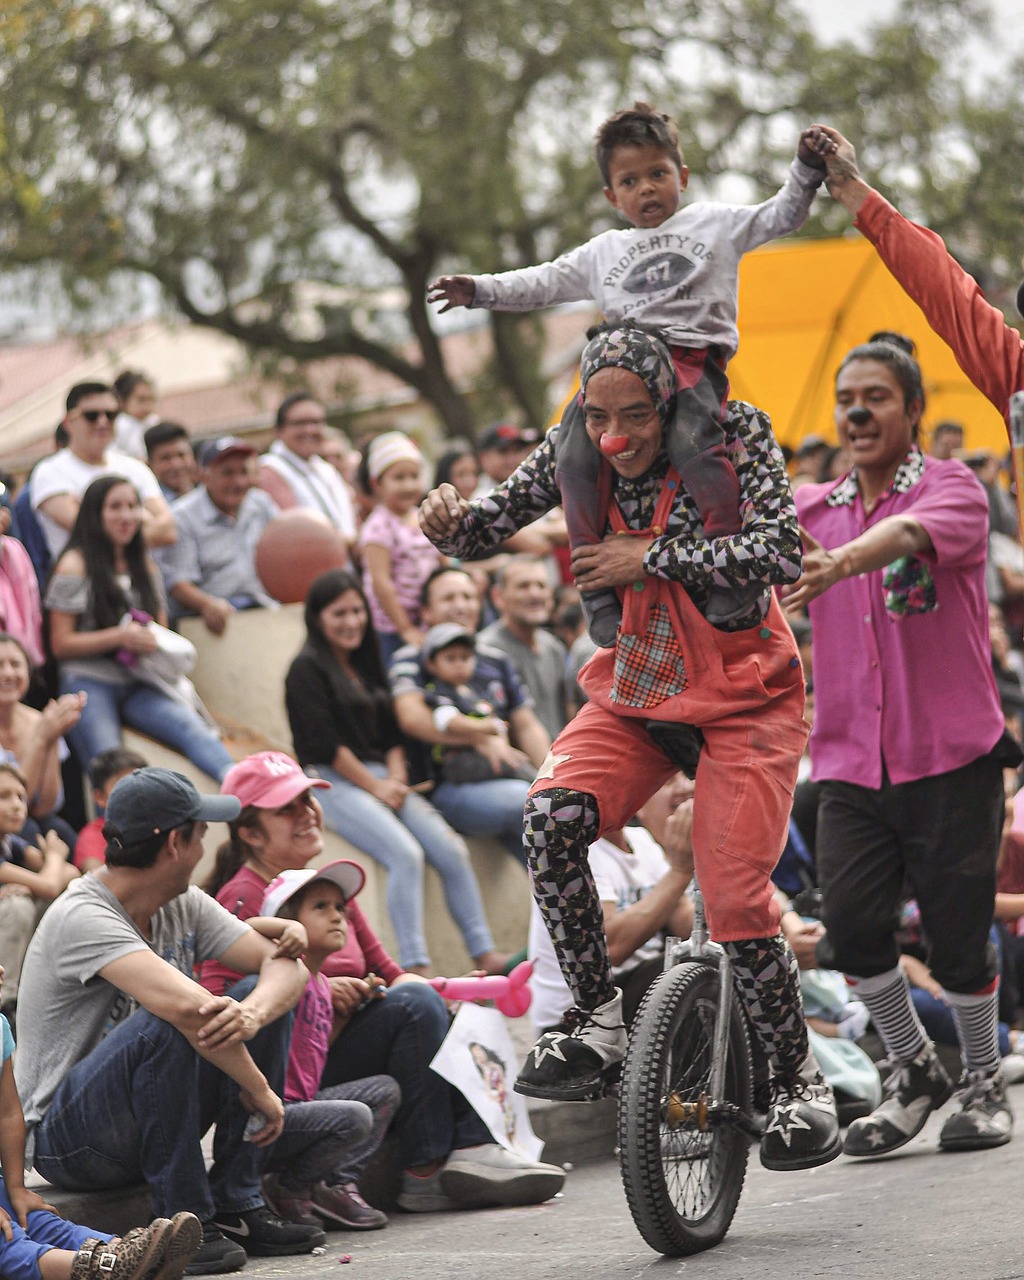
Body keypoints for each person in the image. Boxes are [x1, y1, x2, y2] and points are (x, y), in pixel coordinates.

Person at [419, 321, 841, 1172]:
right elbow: (480, 533)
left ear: (670, 401)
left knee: (732, 897)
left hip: (747, 695)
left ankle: (802, 1085)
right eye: (599, 414)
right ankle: (595, 1018)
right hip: (638, 687)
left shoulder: (735, 431)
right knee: (549, 818)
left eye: (637, 415)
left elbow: (778, 549)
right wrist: (445, 521)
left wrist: (650, 556)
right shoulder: (574, 441)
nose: (617, 437)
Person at [429, 106, 831, 645]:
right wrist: (479, 290)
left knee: (694, 445)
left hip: (692, 370)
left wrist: (807, 167)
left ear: (682, 177)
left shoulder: (714, 226)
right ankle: (594, 590)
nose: (646, 189)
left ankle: (726, 576)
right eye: (630, 181)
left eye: (658, 174)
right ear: (610, 196)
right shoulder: (606, 252)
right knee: (572, 455)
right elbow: (542, 283)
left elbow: (781, 215)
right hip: (617, 365)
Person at [784, 333, 1019, 1154]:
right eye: (847, 398)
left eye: (876, 396)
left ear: (914, 411)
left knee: (957, 939)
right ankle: (916, 1069)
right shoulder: (808, 509)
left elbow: (913, 535)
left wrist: (843, 560)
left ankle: (985, 1081)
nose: (856, 410)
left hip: (952, 755)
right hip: (849, 757)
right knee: (849, 927)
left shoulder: (955, 488)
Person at [200, 751, 565, 1215]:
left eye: (308, 801)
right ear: (249, 832)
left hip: (340, 1046)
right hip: (288, 1073)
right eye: (285, 808)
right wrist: (309, 988)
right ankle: (430, 1165)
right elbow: (222, 999)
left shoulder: (325, 892)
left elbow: (393, 974)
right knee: (414, 1003)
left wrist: (453, 990)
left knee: (428, 999)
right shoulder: (241, 897)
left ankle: (474, 1147)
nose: (307, 814)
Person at [15, 768, 327, 1275]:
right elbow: (188, 1011)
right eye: (202, 833)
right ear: (176, 843)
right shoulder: (83, 914)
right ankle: (186, 1217)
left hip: (144, 1119)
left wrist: (252, 1015)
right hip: (69, 1141)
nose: (207, 845)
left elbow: (284, 965)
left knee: (247, 997)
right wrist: (259, 1088)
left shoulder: (180, 901)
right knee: (168, 1019)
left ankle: (238, 1202)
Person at [282, 575, 507, 974]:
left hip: (386, 778)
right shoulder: (306, 669)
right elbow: (324, 744)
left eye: (357, 611)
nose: (351, 621)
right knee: (405, 854)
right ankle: (414, 967)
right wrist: (376, 786)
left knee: (450, 849)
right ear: (317, 619)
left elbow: (392, 734)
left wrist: (396, 778)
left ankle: (483, 953)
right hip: (331, 780)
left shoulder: (368, 666)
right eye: (339, 613)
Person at [45, 476, 235, 783]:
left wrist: (151, 639)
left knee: (191, 728)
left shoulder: (145, 565)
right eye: (115, 507)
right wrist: (119, 637)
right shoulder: (75, 564)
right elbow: (61, 643)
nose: (126, 516)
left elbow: (158, 625)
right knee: (112, 762)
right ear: (95, 514)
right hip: (88, 680)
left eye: (133, 506)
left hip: (140, 679)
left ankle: (245, 789)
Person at [254, 862, 399, 1231]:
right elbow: (239, 929)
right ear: (287, 920)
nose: (337, 917)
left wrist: (353, 1009)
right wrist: (283, 932)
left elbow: (312, 1051)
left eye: (340, 908)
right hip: (268, 1120)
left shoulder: (320, 984)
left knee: (384, 1091)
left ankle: (330, 1183)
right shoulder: (279, 973)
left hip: (302, 1110)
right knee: (354, 1116)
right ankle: (289, 1187)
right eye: (321, 907)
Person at [389, 567, 550, 860]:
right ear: (426, 612)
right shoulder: (412, 658)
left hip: (502, 776)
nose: (461, 605)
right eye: (449, 598)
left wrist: (553, 778)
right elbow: (411, 717)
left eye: (467, 596)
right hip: (447, 787)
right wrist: (478, 736)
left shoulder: (495, 660)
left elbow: (526, 724)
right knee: (526, 802)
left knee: (553, 820)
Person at [528, 773, 695, 1033]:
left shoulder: (641, 841)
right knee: (685, 970)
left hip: (634, 986)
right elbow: (612, 948)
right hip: (578, 1016)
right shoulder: (575, 852)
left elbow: (685, 920)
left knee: (719, 957)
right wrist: (680, 872)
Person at [30, 382, 175, 563]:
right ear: (68, 422)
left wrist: (103, 520)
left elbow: (169, 532)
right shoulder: (50, 472)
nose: (102, 422)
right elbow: (89, 533)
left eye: (111, 415)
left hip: (139, 583)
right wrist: (144, 517)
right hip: (84, 583)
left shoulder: (135, 468)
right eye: (91, 416)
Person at [154, 437, 279, 635]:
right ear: (204, 476)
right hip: (210, 622)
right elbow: (177, 582)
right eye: (228, 473)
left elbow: (286, 552)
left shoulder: (260, 504)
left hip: (267, 609)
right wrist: (207, 604)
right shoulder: (182, 517)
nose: (238, 482)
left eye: (244, 472)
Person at [0, 763, 78, 1016]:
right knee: (17, 906)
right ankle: (6, 1001)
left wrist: (32, 886)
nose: (16, 805)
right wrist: (54, 856)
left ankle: (43, 985)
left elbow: (70, 875)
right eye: (4, 796)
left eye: (21, 797)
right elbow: (49, 882)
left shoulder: (10, 842)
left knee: (63, 897)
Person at [358, 431, 443, 665]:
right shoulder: (378, 527)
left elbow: (442, 559)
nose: (408, 485)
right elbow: (380, 582)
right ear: (377, 483)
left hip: (428, 619)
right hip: (394, 627)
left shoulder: (423, 516)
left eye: (414, 476)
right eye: (399, 478)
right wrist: (404, 628)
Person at [420, 622, 536, 785]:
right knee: (517, 768)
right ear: (431, 664)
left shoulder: (474, 692)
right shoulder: (439, 690)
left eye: (465, 658)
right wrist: (488, 727)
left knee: (518, 763)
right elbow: (447, 720)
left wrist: (501, 742)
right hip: (456, 761)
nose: (459, 664)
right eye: (450, 658)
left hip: (483, 755)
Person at [0, 632, 83, 840]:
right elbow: (14, 804)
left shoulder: (40, 720)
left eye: (15, 664)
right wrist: (41, 739)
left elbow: (47, 806)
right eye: (0, 665)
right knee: (27, 831)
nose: (8, 673)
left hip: (31, 819)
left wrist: (52, 737)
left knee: (60, 830)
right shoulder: (43, 726)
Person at [478, 557, 569, 740]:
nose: (535, 594)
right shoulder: (486, 650)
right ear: (498, 596)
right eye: (523, 586)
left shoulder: (553, 647)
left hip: (558, 759)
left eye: (541, 586)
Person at [257, 393, 358, 557]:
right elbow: (298, 532)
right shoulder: (269, 470)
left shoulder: (324, 468)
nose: (310, 430)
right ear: (279, 431)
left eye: (316, 422)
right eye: (300, 423)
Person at [72, 747, 149, 872]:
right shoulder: (93, 836)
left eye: (141, 783)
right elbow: (98, 880)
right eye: (122, 786)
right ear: (100, 797)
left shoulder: (160, 827)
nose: (134, 793)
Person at [144, 423, 198, 502]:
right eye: (165, 458)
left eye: (181, 455)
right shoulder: (148, 504)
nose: (176, 465)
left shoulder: (211, 498)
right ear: (150, 464)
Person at [112, 371, 159, 460]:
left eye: (151, 400)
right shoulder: (117, 426)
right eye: (141, 400)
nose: (148, 406)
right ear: (122, 400)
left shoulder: (153, 422)